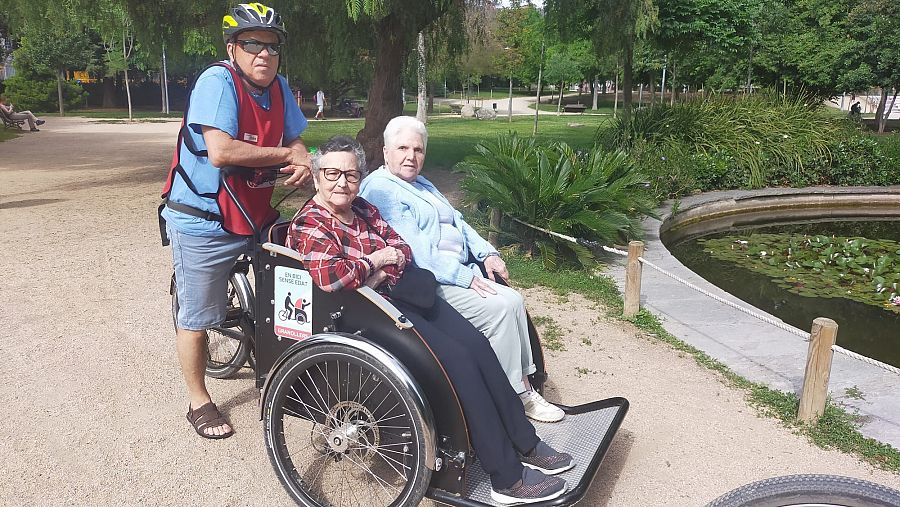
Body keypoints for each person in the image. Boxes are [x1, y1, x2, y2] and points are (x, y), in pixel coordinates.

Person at [287, 135, 574, 505]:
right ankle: (506, 478)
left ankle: (526, 442)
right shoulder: (311, 223)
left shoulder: (363, 210)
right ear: (315, 177)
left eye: (351, 174)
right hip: (366, 315)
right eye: (332, 173)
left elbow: (402, 247)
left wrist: (383, 265)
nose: (342, 182)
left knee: (477, 344)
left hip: (399, 295)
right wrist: (378, 261)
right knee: (457, 363)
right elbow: (334, 278)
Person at [159, 3, 312, 439]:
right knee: (197, 317)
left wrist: (299, 157)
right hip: (205, 221)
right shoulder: (217, 82)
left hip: (255, 213)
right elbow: (222, 151)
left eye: (272, 46)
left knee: (292, 285)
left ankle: (284, 361)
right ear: (233, 48)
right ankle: (198, 401)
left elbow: (294, 137)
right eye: (252, 44)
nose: (263, 54)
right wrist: (288, 155)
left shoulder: (279, 87)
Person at [359, 116, 565, 423]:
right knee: (501, 308)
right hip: (429, 281)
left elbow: (458, 221)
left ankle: (523, 383)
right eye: (402, 148)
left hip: (458, 268)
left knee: (513, 300)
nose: (410, 156)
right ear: (386, 151)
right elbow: (416, 252)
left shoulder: (420, 183)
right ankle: (516, 396)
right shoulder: (382, 189)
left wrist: (488, 253)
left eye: (418, 150)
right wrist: (465, 277)